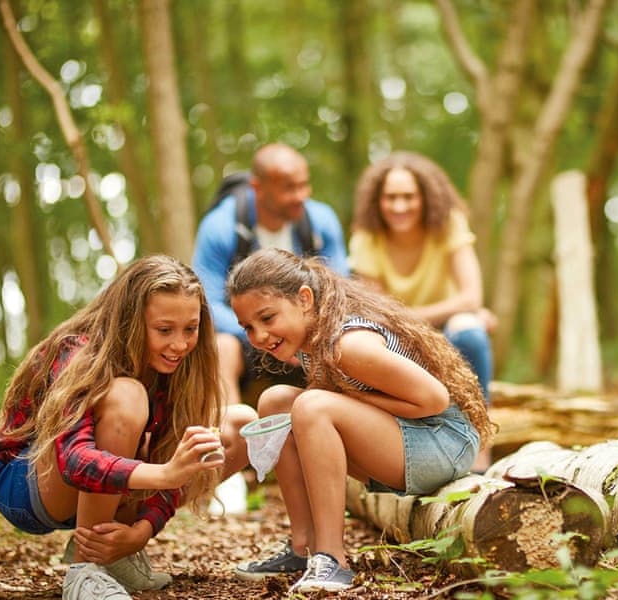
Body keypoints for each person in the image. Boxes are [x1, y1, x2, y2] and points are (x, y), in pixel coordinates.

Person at [0, 255, 254, 600]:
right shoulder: (80, 353)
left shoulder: (179, 366)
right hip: (26, 485)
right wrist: (166, 475)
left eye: (191, 328)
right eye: (164, 330)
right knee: (127, 395)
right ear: (131, 321)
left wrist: (142, 529)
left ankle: (112, 550)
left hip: (92, 489)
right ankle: (85, 572)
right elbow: (76, 460)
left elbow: (170, 454)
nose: (181, 344)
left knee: (241, 424)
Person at [227, 249, 496, 593]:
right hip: (406, 436)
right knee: (276, 401)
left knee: (312, 406)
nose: (259, 336)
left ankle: (332, 560)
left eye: (267, 318)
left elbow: (434, 399)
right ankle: (302, 546)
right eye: (248, 327)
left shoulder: (348, 345)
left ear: (305, 299)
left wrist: (347, 399)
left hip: (444, 442)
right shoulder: (315, 341)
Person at [348, 151, 496, 470]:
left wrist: (415, 317)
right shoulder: (367, 237)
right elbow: (374, 312)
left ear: (425, 198)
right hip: (396, 336)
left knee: (470, 330)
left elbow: (471, 297)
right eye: (391, 198)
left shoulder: (447, 224)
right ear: (378, 201)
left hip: (448, 328)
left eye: (408, 197)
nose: (399, 207)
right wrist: (414, 323)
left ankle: (481, 444)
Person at [192, 142, 349, 408]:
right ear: (258, 188)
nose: (301, 195)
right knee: (222, 348)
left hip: (308, 332)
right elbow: (207, 305)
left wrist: (300, 332)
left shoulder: (321, 221)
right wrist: (266, 332)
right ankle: (229, 431)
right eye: (289, 187)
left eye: (304, 184)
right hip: (249, 336)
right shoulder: (220, 227)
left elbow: (340, 291)